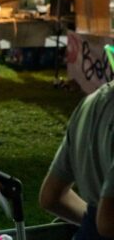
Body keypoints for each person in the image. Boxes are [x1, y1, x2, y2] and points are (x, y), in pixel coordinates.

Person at [39, 80, 114, 239]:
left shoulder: (91, 103)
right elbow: (108, 221)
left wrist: (94, 218)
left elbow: (51, 197)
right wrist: (100, 218)